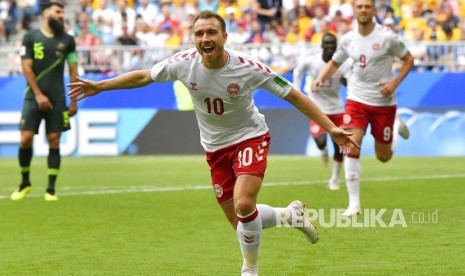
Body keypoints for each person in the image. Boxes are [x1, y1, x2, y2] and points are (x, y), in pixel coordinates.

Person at [68, 10, 359, 276]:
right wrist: (101, 85)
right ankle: (288, 215)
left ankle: (250, 270)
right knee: (241, 224)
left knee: (245, 205)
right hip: (215, 148)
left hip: (250, 137)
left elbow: (294, 94)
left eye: (211, 33)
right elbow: (145, 76)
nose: (205, 39)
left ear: (224, 37)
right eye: (199, 34)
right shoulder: (183, 64)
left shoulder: (248, 68)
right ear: (193, 38)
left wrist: (331, 127)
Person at [312, 0, 413, 216]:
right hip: (356, 99)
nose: (364, 10)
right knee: (350, 146)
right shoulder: (348, 39)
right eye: (360, 6)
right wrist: (320, 78)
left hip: (383, 103)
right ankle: (354, 204)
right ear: (354, 10)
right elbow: (335, 62)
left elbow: (408, 60)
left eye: (368, 6)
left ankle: (395, 128)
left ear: (374, 10)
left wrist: (394, 83)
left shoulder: (387, 37)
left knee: (383, 156)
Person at [10, 1, 78, 202]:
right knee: (25, 138)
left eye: (62, 13)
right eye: (57, 12)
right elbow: (26, 68)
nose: (60, 16)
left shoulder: (68, 41)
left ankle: (50, 190)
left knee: (55, 139)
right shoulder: (30, 37)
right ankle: (25, 183)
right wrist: (39, 95)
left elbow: (73, 70)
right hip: (33, 96)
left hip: (58, 98)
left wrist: (73, 100)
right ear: (46, 13)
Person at [293, 33, 352, 191]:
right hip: (317, 107)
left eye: (333, 44)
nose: (330, 47)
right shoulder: (312, 60)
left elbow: (350, 81)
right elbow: (298, 71)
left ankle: (334, 179)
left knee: (339, 145)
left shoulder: (342, 63)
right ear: (322, 46)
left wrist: (352, 95)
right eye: (327, 44)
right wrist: (297, 92)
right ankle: (323, 151)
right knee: (321, 142)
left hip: (337, 107)